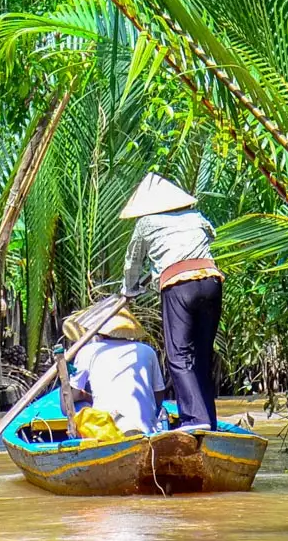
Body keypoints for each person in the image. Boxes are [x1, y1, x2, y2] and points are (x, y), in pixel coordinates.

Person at [120, 173, 222, 431]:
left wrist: (129, 290)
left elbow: (132, 263)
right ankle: (209, 419)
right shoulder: (195, 217)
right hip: (211, 281)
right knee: (201, 355)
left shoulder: (146, 223)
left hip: (179, 286)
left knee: (179, 356)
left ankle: (195, 420)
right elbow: (210, 237)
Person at [65, 304, 167, 436]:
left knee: (79, 405)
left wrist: (83, 396)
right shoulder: (147, 351)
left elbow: (70, 398)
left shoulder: (88, 352)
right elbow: (158, 396)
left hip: (109, 431)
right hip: (146, 429)